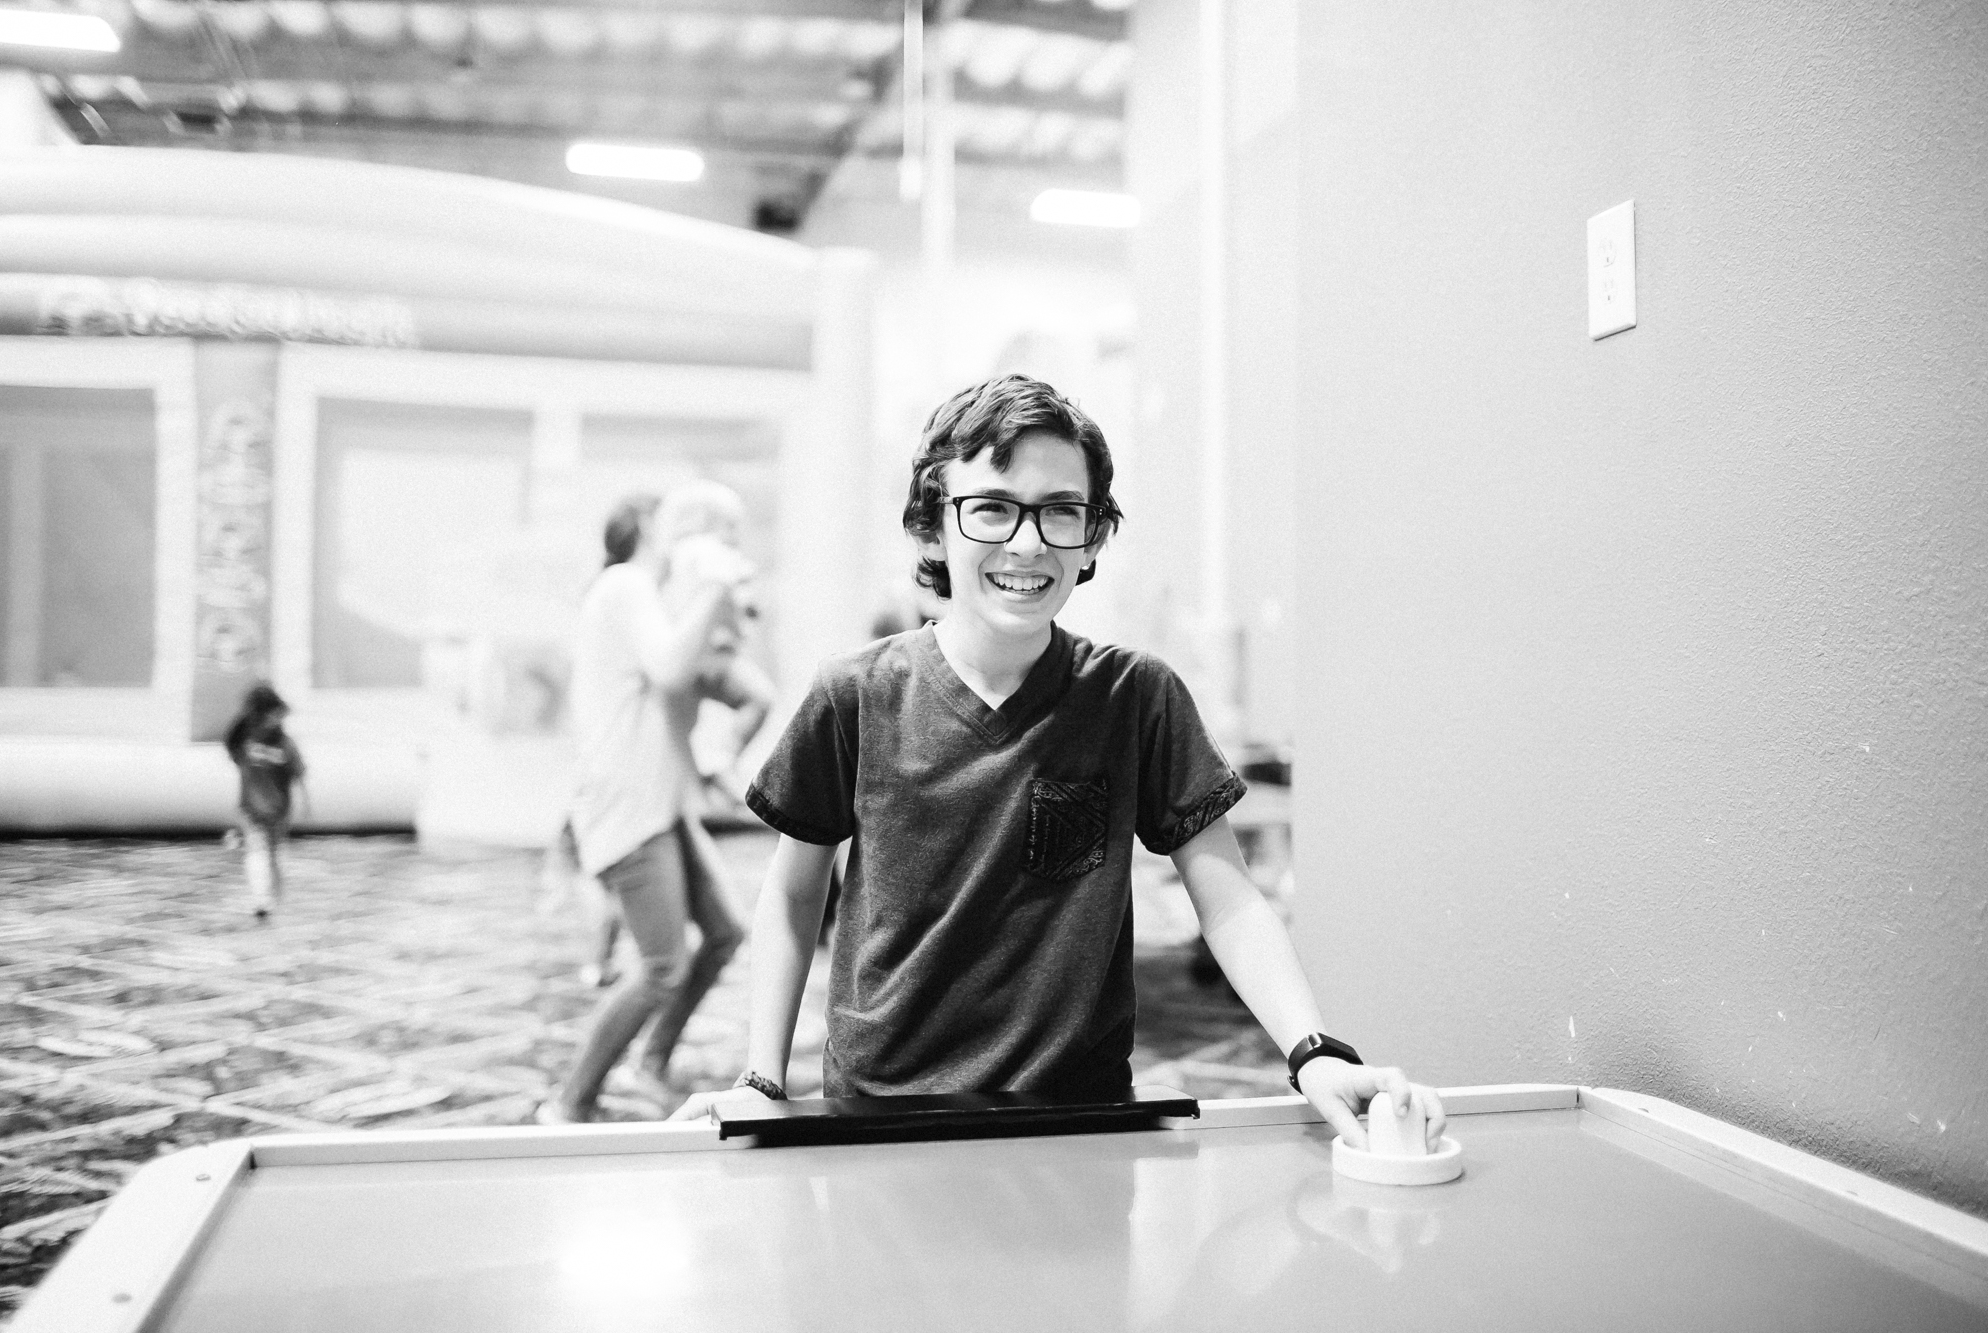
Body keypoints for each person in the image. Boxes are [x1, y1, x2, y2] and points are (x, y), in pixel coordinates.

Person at [674, 374, 1444, 1153]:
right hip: (883, 1115)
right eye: (994, 507)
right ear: (934, 526)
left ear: (1094, 536)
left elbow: (1230, 899)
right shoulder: (855, 696)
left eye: (1060, 512)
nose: (1028, 542)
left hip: (1080, 1120)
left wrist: (1313, 1050)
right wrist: (761, 1079)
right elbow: (793, 893)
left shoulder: (1136, 696)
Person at [539, 484, 761, 1123]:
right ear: (648, 528)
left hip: (661, 804)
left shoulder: (655, 600)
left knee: (724, 933)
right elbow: (669, 669)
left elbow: (698, 675)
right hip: (628, 805)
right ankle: (572, 1099)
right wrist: (717, 589)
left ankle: (650, 1064)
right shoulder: (623, 586)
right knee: (664, 966)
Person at [221, 682, 308, 920]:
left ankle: (276, 899)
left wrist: (305, 804)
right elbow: (232, 747)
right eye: (273, 715)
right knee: (257, 851)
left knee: (276, 856)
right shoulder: (247, 741)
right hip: (251, 810)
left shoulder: (285, 744)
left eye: (280, 715)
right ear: (260, 715)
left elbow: (299, 773)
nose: (278, 720)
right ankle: (262, 901)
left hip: (279, 812)